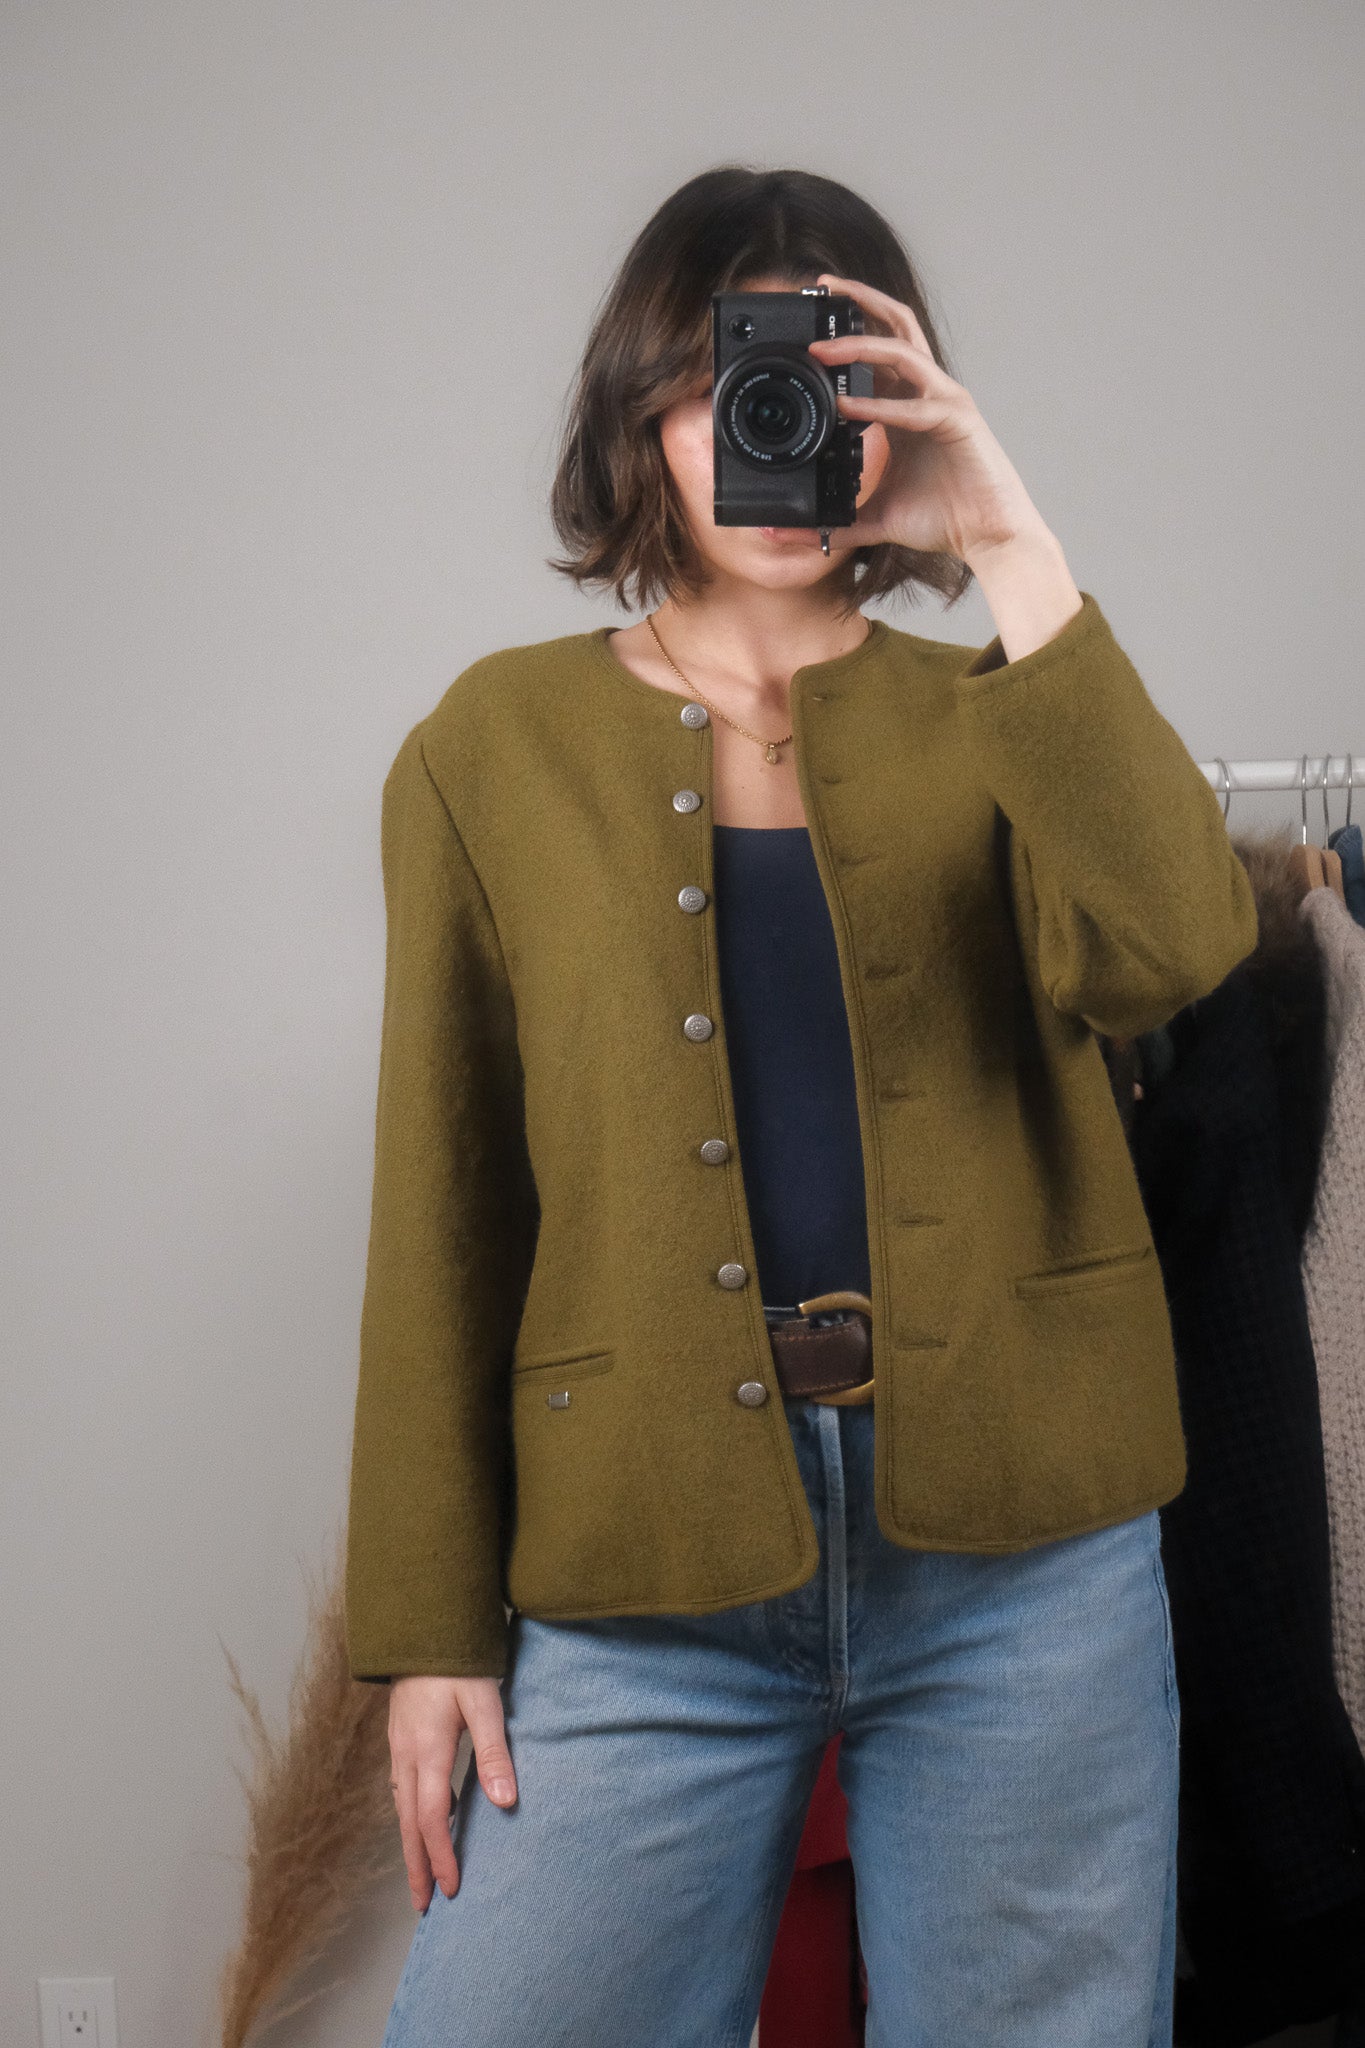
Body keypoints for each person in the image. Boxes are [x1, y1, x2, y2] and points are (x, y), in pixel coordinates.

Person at [344, 164, 1258, 2046]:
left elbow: (1174, 945)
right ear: (640, 421)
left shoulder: (1003, 708)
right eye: (723, 385)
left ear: (901, 408)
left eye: (835, 382)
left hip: (1023, 1561)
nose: (773, 429)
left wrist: (1008, 540)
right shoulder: (487, 748)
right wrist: (426, 1627)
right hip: (643, 1545)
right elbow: (440, 1205)